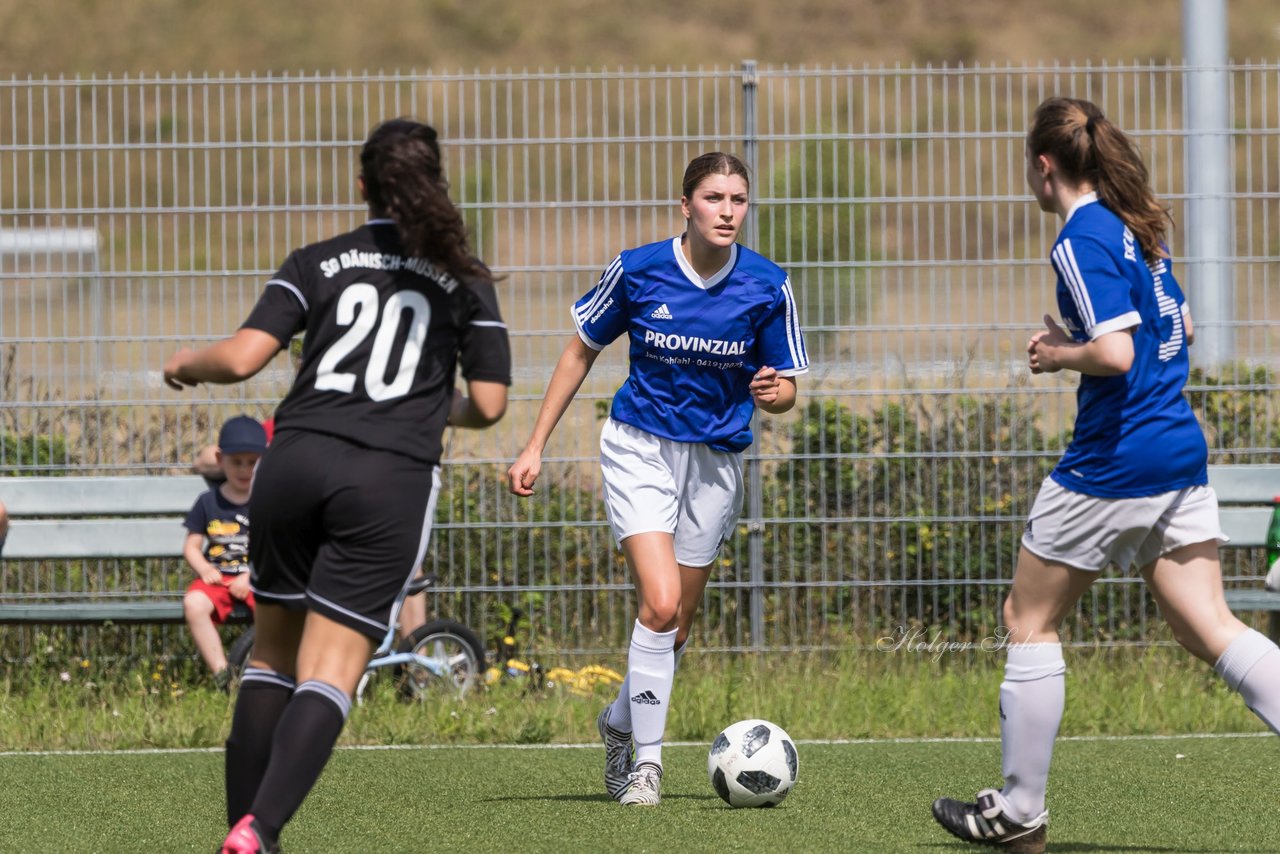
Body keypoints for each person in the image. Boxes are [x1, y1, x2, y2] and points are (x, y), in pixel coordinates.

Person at [930, 96, 1280, 853]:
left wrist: (1057, 353)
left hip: (1113, 461)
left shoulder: (1081, 237)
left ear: (1044, 165)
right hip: (1179, 453)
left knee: (1028, 622)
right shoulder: (1139, 229)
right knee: (1207, 626)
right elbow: (1181, 326)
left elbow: (1118, 352)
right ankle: (1018, 808)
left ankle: (1018, 812)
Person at [163, 118, 511, 853]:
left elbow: (246, 357)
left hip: (293, 464)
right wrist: (419, 408)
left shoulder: (317, 261)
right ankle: (259, 830)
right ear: (436, 184)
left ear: (362, 186)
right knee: (331, 672)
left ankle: (242, 833)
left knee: (271, 657)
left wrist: (190, 360)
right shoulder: (465, 276)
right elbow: (488, 403)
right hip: (386, 478)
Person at [507, 152, 809, 806]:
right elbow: (580, 349)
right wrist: (535, 445)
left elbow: (787, 389)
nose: (727, 210)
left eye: (738, 199)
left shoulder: (767, 284)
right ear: (687, 206)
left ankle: (618, 719)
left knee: (679, 624)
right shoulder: (639, 269)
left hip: (716, 460)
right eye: (713, 198)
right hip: (639, 445)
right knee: (662, 601)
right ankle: (647, 764)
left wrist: (773, 391)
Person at [182, 415, 267, 691]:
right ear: (220, 460)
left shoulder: (267, 500)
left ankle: (264, 674)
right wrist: (204, 569)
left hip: (257, 578)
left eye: (252, 463)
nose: (244, 470)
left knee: (277, 610)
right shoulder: (208, 502)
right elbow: (191, 546)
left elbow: (272, 548)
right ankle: (224, 677)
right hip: (218, 579)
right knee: (194, 604)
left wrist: (249, 576)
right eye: (236, 462)